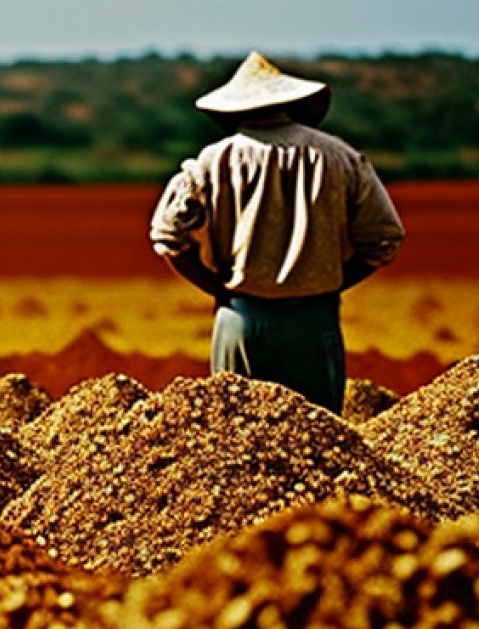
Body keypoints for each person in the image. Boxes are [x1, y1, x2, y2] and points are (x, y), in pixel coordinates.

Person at [150, 51, 404, 414]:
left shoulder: (210, 161)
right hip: (315, 321)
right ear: (294, 104)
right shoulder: (341, 157)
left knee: (234, 438)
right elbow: (385, 239)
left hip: (241, 316)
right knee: (319, 442)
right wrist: (332, 281)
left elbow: (168, 238)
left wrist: (216, 287)